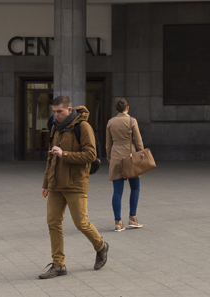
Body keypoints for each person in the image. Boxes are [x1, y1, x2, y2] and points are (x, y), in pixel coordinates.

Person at [39, 95, 108, 280]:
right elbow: (50, 157)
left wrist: (65, 154)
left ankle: (101, 246)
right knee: (53, 222)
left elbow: (90, 154)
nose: (56, 115)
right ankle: (58, 264)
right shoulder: (55, 127)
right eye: (54, 112)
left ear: (70, 110)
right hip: (56, 184)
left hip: (76, 183)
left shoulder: (83, 127)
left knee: (81, 223)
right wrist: (46, 183)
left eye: (59, 111)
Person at [106, 97, 144, 232]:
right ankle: (133, 218)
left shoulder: (110, 122)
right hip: (131, 157)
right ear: (127, 108)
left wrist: (109, 157)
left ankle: (118, 222)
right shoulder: (131, 121)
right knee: (135, 188)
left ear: (116, 109)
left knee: (117, 191)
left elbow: (108, 144)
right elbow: (138, 142)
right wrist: (141, 154)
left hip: (116, 156)